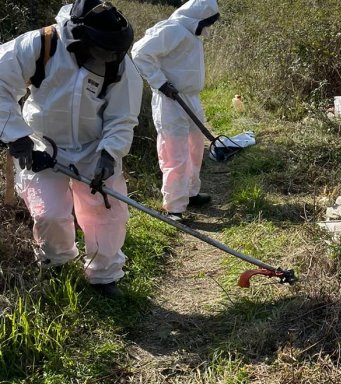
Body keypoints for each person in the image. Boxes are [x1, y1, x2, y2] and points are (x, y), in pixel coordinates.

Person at [0, 0, 142, 297]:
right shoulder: (41, 44)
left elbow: (122, 116)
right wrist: (18, 137)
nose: (110, 58)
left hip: (95, 147)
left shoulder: (119, 62)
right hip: (41, 146)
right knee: (48, 213)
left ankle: (104, 275)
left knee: (106, 212)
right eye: (104, 52)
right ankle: (58, 262)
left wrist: (110, 153)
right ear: (80, 40)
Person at [131, 0, 220, 222]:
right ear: (198, 17)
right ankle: (174, 207)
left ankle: (190, 193)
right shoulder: (172, 29)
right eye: (207, 22)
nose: (207, 27)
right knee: (174, 153)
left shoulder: (191, 32)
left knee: (195, 148)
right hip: (170, 101)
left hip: (190, 98)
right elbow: (140, 52)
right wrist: (160, 83)